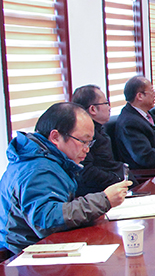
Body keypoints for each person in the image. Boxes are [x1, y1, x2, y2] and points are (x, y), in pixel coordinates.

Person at [0, 103, 131, 254]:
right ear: (55, 137)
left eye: (90, 142)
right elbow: (47, 221)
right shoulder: (37, 169)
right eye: (83, 141)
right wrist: (104, 200)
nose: (87, 149)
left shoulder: (49, 160)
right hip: (26, 254)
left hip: (48, 245)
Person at [71, 85, 128, 196]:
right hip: (100, 193)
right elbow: (87, 173)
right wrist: (117, 179)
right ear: (93, 109)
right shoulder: (82, 135)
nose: (109, 108)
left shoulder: (99, 130)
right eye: (106, 103)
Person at [114, 76, 155, 169]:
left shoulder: (148, 114)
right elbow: (145, 155)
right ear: (140, 96)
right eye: (152, 91)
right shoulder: (129, 122)